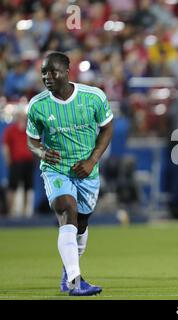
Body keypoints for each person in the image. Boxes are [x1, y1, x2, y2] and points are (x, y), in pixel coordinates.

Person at [26, 52, 113, 296]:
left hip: (87, 170)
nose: (47, 77)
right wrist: (42, 153)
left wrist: (92, 159)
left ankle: (68, 269)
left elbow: (107, 128)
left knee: (81, 224)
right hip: (56, 170)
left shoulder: (93, 97)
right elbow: (31, 141)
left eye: (52, 71)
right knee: (67, 210)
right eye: (44, 72)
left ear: (67, 71)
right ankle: (76, 280)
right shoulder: (37, 105)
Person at [2, 107, 35, 217]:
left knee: (28, 187)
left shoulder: (29, 129)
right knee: (13, 187)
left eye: (23, 116)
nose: (22, 117)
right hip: (16, 162)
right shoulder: (11, 130)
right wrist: (8, 159)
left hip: (29, 162)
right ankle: (10, 211)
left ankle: (25, 212)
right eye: (20, 115)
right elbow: (5, 146)